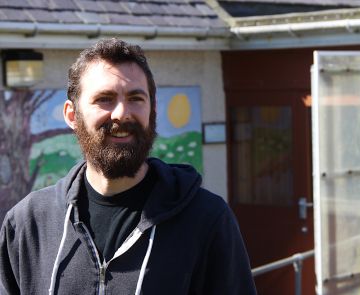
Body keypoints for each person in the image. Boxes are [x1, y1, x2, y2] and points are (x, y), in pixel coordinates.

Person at [0, 38, 256, 294]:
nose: (122, 113)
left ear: (153, 110)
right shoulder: (28, 224)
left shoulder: (206, 219)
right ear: (72, 115)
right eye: (105, 99)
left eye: (136, 98)